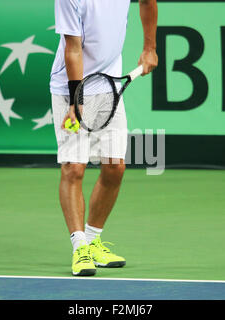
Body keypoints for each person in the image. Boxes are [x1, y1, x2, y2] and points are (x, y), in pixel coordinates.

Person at [50, 0, 158, 276]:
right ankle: (79, 248)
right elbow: (72, 48)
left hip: (109, 88)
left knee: (115, 167)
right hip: (70, 92)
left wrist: (149, 48)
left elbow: (148, 2)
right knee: (74, 167)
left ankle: (93, 239)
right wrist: (76, 102)